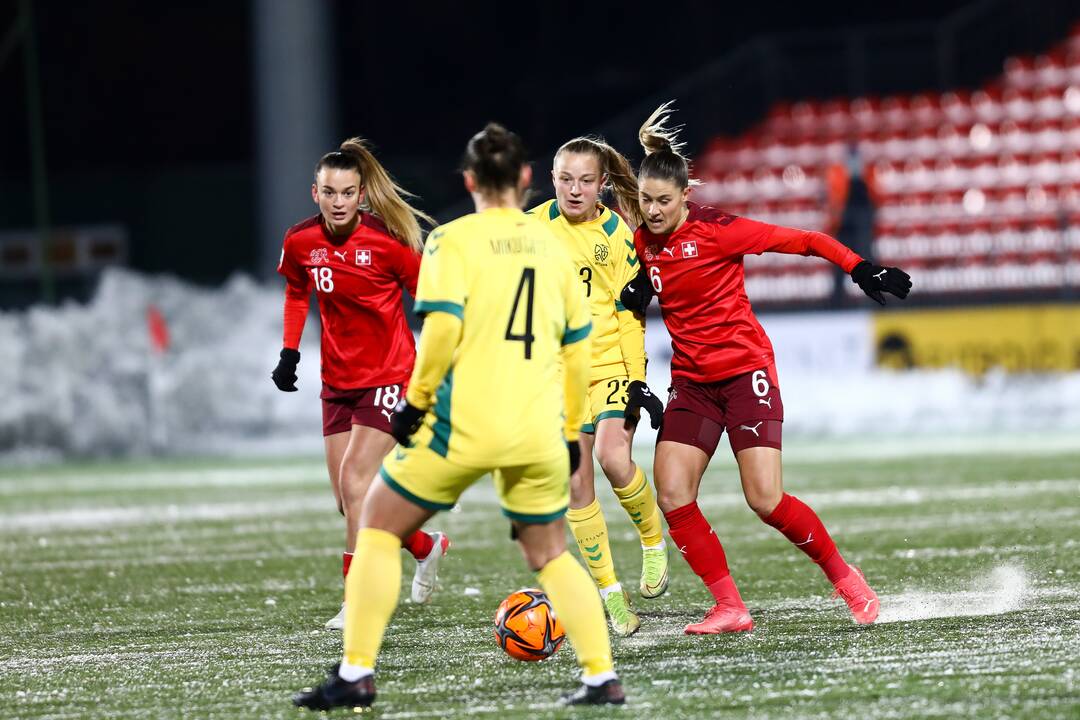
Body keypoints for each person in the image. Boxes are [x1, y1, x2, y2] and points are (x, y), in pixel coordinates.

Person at [293, 123, 625, 711]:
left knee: (374, 523)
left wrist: (415, 405)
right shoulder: (554, 244)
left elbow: (442, 333)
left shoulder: (450, 241)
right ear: (526, 180)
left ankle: (356, 672)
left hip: (465, 421)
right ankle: (602, 677)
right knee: (549, 553)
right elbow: (579, 348)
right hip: (535, 425)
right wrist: (575, 428)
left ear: (469, 180)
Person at [619, 103, 912, 634]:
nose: (655, 210)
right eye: (647, 201)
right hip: (690, 383)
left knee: (765, 499)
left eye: (665, 201)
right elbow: (639, 285)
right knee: (672, 493)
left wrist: (860, 267)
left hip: (744, 373)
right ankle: (730, 607)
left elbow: (804, 240)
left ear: (686, 195)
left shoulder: (719, 231)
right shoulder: (640, 240)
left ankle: (848, 579)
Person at [272, 138, 450, 629]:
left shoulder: (387, 242)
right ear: (315, 193)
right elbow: (294, 291)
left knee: (355, 483)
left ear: (361, 195)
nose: (338, 201)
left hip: (390, 378)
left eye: (347, 192)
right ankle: (426, 544)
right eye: (329, 191)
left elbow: (434, 298)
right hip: (338, 383)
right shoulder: (300, 241)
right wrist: (289, 352)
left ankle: (358, 600)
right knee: (348, 499)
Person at [527, 137, 667, 637]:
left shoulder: (618, 234)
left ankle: (653, 542)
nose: (574, 189)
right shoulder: (532, 230)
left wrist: (637, 381)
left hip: (609, 363)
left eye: (586, 180)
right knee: (575, 485)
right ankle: (611, 594)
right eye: (566, 179)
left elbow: (631, 315)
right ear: (553, 180)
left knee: (613, 457)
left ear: (603, 184)